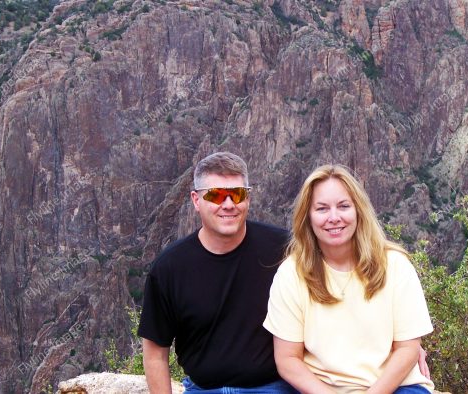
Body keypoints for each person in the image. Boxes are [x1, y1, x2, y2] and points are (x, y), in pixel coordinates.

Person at [139, 152, 429, 393]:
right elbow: (154, 350)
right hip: (207, 388)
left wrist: (406, 345)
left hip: (272, 387)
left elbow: (392, 330)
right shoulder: (170, 268)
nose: (228, 203)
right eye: (215, 195)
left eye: (237, 194)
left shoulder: (283, 250)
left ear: (248, 198)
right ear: (196, 200)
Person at [263, 164, 435, 393]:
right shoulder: (292, 274)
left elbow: (407, 349)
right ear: (308, 217)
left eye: (343, 206)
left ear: (358, 211)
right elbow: (287, 359)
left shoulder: (395, 266)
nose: (334, 218)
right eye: (322, 209)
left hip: (394, 387)